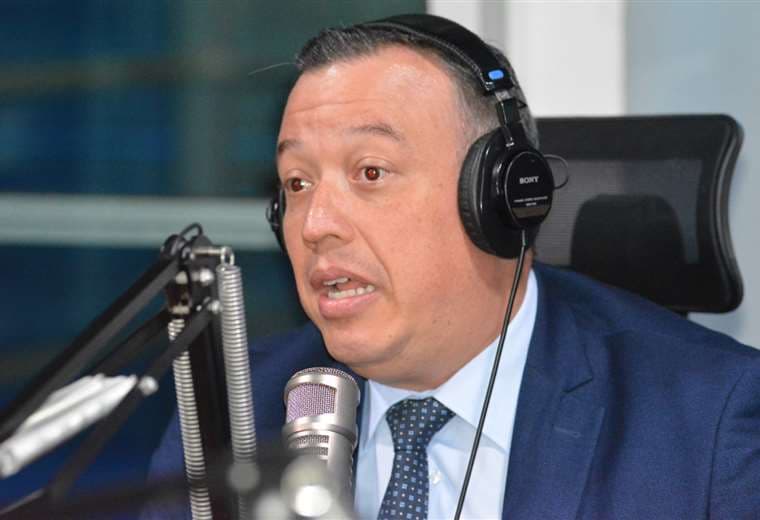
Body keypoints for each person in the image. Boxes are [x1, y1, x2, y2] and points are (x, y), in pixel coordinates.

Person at [144, 14, 760, 519]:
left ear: (496, 199)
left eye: (370, 172)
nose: (315, 224)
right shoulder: (236, 411)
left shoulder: (709, 422)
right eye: (297, 183)